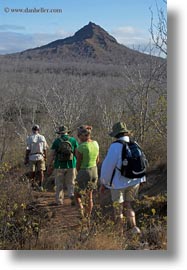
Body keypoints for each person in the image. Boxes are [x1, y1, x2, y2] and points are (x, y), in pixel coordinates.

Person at [100, 122, 146, 234]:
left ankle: (119, 233)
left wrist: (104, 182)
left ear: (116, 134)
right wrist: (142, 179)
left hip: (118, 184)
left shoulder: (115, 146)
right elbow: (143, 162)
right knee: (128, 205)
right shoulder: (135, 144)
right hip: (135, 180)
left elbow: (108, 166)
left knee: (118, 209)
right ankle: (134, 228)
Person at [47, 126, 79, 206]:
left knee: (59, 184)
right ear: (67, 132)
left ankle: (59, 200)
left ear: (59, 133)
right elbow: (77, 153)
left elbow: (52, 155)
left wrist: (49, 165)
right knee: (71, 183)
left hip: (59, 165)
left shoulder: (57, 141)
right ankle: (72, 197)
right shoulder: (73, 140)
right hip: (71, 164)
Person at [75, 125, 99, 220]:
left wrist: (78, 173)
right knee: (90, 196)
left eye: (79, 135)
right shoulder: (96, 144)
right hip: (94, 170)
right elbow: (97, 160)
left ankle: (81, 215)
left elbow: (78, 163)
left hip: (84, 171)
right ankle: (88, 217)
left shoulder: (81, 147)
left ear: (82, 136)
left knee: (77, 195)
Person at [24, 124, 47, 191]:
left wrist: (26, 158)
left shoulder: (29, 138)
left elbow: (28, 149)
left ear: (32, 130)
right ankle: (40, 185)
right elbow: (45, 148)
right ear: (38, 130)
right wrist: (45, 156)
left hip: (32, 156)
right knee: (41, 171)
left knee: (32, 172)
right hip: (40, 156)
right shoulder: (42, 137)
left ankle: (32, 185)